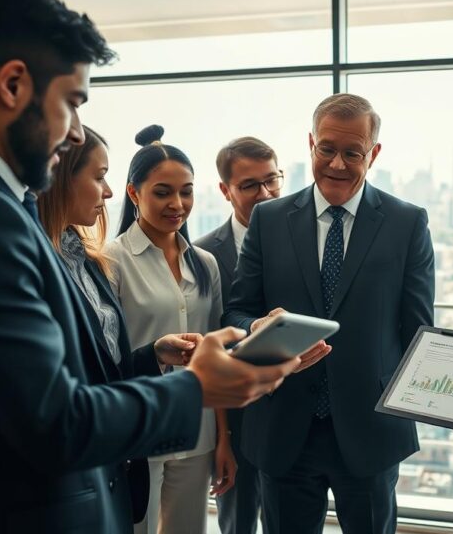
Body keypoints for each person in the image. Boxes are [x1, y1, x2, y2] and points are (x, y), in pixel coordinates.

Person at [0, 0, 299, 534]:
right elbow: (53, 423)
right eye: (71, 102)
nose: (77, 134)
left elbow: (24, 389)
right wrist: (196, 388)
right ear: (13, 84)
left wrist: (149, 358)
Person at [224, 93, 435, 534]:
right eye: (327, 149)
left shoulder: (407, 222)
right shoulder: (268, 219)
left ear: (374, 153)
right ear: (310, 144)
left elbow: (418, 330)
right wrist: (256, 327)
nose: (337, 164)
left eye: (353, 153)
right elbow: (238, 310)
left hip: (371, 429)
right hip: (283, 427)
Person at [37, 125, 211, 524]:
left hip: (119, 442)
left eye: (185, 191)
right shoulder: (49, 263)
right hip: (90, 451)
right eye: (99, 177)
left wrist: (154, 354)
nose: (108, 191)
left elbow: (107, 365)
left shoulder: (85, 259)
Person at [105, 125, 234, 534]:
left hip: (197, 430)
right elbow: (106, 358)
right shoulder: (112, 261)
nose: (177, 204)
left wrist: (224, 438)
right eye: (163, 192)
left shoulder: (205, 264)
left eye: (186, 192)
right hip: (140, 431)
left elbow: (216, 359)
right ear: (133, 193)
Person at [195, 136, 283, 534]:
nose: (265, 193)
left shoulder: (301, 240)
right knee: (237, 525)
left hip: (292, 412)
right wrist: (222, 437)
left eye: (272, 180)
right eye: (249, 185)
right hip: (236, 418)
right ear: (225, 190)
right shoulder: (201, 255)